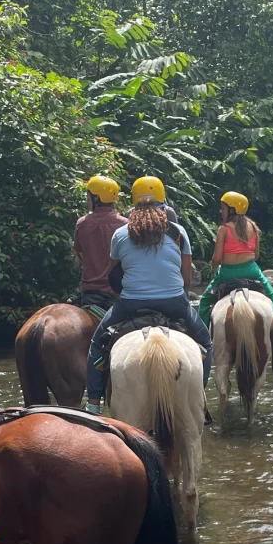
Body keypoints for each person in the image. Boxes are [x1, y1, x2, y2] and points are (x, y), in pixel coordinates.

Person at [83, 176, 213, 414]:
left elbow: (114, 276)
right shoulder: (178, 232)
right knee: (205, 342)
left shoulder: (121, 234)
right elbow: (185, 279)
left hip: (130, 303)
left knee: (97, 345)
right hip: (174, 302)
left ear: (134, 202)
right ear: (163, 200)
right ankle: (199, 400)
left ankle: (93, 404)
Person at [197, 191, 273, 324]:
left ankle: (205, 339)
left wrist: (214, 268)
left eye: (223, 208)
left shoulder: (224, 229)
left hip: (227, 273)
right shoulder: (253, 227)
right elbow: (256, 255)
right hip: (252, 271)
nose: (220, 211)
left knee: (204, 302)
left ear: (232, 210)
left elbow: (217, 258)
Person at [74, 175, 128, 308]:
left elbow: (79, 254)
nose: (87, 201)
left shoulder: (82, 223)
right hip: (118, 292)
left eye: (88, 197)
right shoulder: (125, 225)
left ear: (96, 198)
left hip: (90, 292)